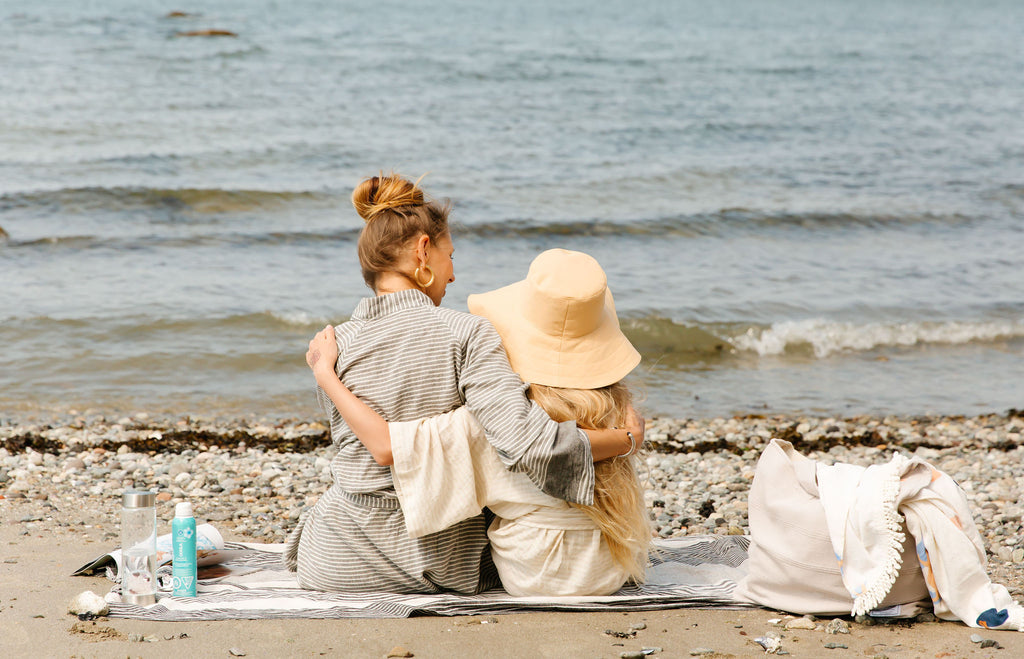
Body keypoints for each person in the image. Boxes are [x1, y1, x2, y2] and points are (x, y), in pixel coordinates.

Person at [284, 174, 641, 594]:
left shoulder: (332, 345)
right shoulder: (465, 333)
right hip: (429, 560)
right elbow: (529, 444)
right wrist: (626, 439)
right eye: (450, 255)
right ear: (423, 250)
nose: (452, 275)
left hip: (332, 559)